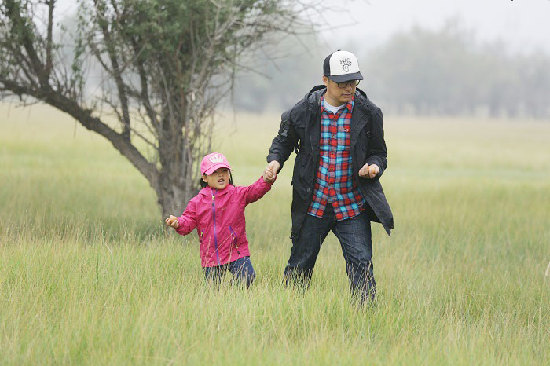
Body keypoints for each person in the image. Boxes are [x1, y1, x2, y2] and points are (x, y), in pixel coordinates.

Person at [265, 50, 394, 303]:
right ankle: (289, 312)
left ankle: (365, 319)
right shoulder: (302, 111)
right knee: (299, 265)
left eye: (353, 82)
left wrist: (374, 166)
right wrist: (274, 162)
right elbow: (282, 142)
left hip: (352, 205)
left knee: (361, 265)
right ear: (326, 80)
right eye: (341, 83)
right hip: (313, 204)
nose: (349, 88)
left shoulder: (369, 113)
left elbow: (379, 153)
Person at [166, 152, 276, 288]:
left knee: (247, 276)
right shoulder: (197, 202)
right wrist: (178, 223)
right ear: (205, 177)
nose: (221, 175)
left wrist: (266, 180)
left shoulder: (237, 194)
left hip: (236, 251)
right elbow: (188, 222)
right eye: (215, 172)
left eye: (224, 171)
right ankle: (220, 300)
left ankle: (230, 294)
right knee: (212, 290)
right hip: (210, 255)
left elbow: (254, 191)